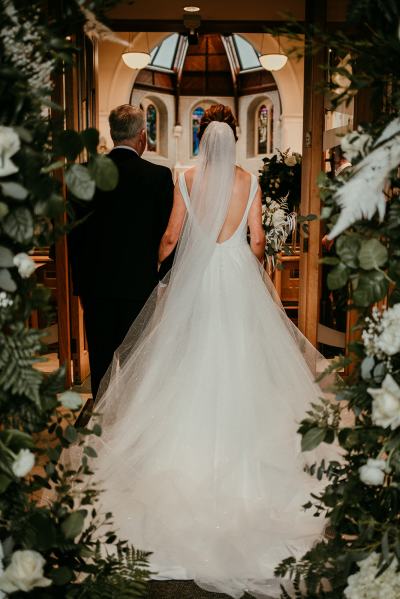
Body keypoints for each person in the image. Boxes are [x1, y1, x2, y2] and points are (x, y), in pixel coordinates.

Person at [89, 105, 335, 598]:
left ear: (201, 140)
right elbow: (259, 240)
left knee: (184, 368)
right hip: (236, 278)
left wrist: (162, 268)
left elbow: (172, 235)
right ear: (236, 141)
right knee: (245, 367)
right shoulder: (249, 180)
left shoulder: (183, 176)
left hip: (196, 286)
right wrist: (248, 262)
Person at [68, 104, 174, 399]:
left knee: (101, 357)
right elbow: (168, 235)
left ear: (112, 134)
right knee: (137, 358)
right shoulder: (158, 176)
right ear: (142, 136)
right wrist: (164, 279)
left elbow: (73, 234)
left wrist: (81, 281)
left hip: (95, 285)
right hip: (139, 286)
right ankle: (130, 419)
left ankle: (100, 417)